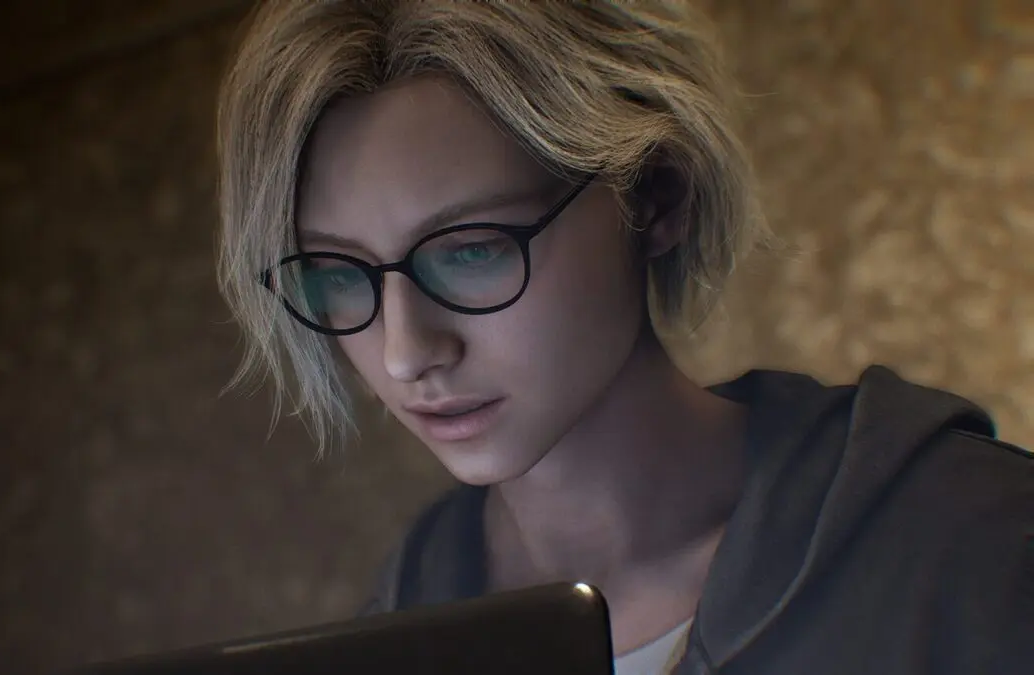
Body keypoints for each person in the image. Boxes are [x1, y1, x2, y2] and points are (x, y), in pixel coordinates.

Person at [215, 2, 1032, 673]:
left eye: (472, 250)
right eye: (339, 274)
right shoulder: (395, 637)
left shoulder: (977, 544)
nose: (406, 352)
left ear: (657, 199)